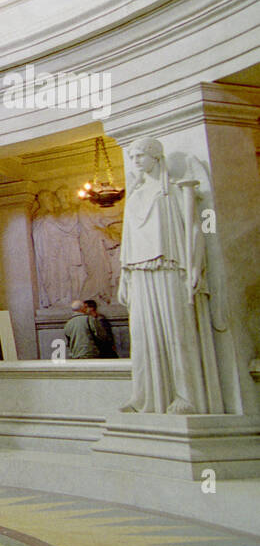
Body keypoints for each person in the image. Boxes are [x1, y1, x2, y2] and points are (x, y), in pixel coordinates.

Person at [118, 137, 223, 414]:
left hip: (170, 269)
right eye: (133, 157)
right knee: (141, 336)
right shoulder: (136, 195)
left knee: (178, 333)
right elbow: (127, 239)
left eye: (141, 155)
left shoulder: (174, 190)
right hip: (139, 272)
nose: (136, 161)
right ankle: (143, 397)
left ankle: (185, 395)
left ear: (155, 156)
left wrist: (196, 266)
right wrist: (124, 275)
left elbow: (196, 227)